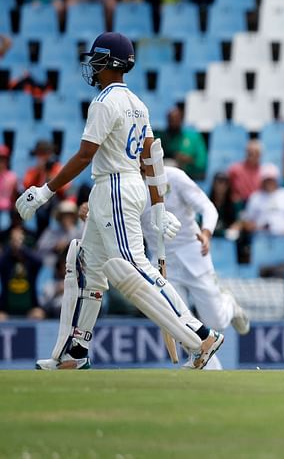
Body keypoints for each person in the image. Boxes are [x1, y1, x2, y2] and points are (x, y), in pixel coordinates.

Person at [20, 31, 224, 370]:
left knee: (134, 269)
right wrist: (156, 207)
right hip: (123, 185)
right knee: (86, 266)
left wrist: (45, 191)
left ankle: (201, 336)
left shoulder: (104, 102)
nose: (93, 67)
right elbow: (150, 159)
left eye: (97, 60)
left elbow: (86, 155)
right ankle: (75, 352)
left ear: (112, 63)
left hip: (114, 185)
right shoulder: (139, 104)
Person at [139, 163, 250, 369]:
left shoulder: (174, 176)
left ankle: (229, 305)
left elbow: (208, 208)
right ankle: (211, 369)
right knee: (181, 325)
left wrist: (206, 233)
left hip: (193, 252)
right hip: (163, 263)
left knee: (215, 321)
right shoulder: (128, 185)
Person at [23, 140, 68, 237]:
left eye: (45, 153)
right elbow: (27, 186)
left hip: (55, 204)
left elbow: (65, 189)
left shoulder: (58, 168)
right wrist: (39, 172)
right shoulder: (33, 171)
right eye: (40, 154)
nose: (43, 157)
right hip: (38, 206)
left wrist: (51, 177)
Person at [239, 163, 284, 236]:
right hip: (261, 238)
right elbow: (247, 223)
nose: (270, 182)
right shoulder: (255, 197)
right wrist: (259, 227)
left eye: (272, 179)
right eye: (267, 180)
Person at [0, 226, 45, 321]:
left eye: (20, 241)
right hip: (6, 310)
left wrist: (21, 248)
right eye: (13, 241)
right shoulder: (7, 262)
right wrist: (11, 248)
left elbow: (39, 261)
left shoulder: (31, 264)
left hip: (30, 309)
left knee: (38, 314)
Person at [159, 106, 207, 180]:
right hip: (169, 176)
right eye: (171, 120)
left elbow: (201, 162)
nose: (173, 123)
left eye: (176, 119)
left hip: (190, 176)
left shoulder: (193, 137)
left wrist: (189, 160)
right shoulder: (163, 138)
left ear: (181, 119)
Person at [36, 200, 82, 269]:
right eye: (64, 215)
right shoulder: (51, 231)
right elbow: (40, 247)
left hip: (74, 266)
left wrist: (69, 231)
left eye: (69, 215)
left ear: (73, 217)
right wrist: (55, 246)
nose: (67, 218)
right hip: (52, 266)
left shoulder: (78, 232)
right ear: (60, 217)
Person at [227, 139, 262, 203]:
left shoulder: (263, 172)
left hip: (257, 204)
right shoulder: (235, 169)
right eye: (250, 153)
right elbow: (226, 187)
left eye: (256, 153)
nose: (253, 155)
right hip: (239, 203)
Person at [208, 172, 241, 237]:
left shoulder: (234, 203)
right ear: (214, 184)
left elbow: (239, 221)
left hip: (227, 237)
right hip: (209, 236)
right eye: (219, 182)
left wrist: (237, 225)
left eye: (224, 183)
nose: (221, 186)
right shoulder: (206, 202)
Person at [0, 145, 18, 216]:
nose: (1, 162)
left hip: (7, 209)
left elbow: (14, 196)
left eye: (3, 159)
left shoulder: (12, 176)